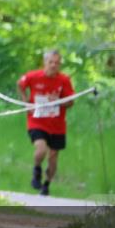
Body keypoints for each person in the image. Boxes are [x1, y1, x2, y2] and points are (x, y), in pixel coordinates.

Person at [18, 49, 75, 197]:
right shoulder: (33, 76)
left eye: (57, 63)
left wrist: (58, 102)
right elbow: (20, 84)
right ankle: (36, 169)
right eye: (51, 62)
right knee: (41, 149)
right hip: (37, 120)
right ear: (45, 62)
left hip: (57, 125)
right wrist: (26, 103)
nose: (54, 65)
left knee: (53, 157)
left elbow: (70, 102)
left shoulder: (64, 80)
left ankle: (46, 185)